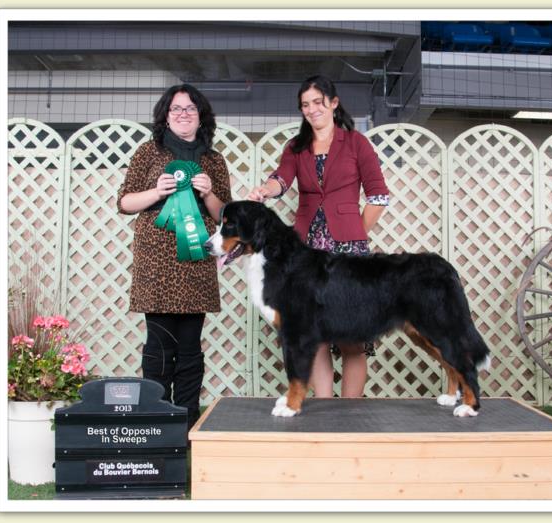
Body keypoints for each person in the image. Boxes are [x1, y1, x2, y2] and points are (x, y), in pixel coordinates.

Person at [247, 75, 389, 398]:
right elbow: (281, 179)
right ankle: (326, 410)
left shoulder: (356, 143)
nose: (311, 110)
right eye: (305, 105)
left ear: (333, 103)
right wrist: (265, 190)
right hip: (306, 254)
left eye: (317, 102)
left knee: (353, 338)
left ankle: (349, 413)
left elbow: (379, 196)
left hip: (349, 256)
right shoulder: (295, 148)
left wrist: (355, 233)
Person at [117, 84, 232, 429]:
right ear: (165, 117)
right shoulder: (147, 152)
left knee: (190, 348)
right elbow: (123, 203)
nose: (183, 114)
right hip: (157, 261)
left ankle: (186, 424)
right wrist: (156, 191)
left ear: (201, 117)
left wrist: (209, 192)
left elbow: (224, 213)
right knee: (159, 345)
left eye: (190, 108)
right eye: (176, 108)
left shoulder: (214, 159)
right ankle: (156, 423)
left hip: (195, 259)